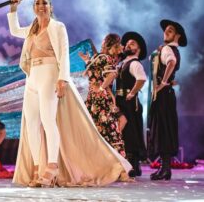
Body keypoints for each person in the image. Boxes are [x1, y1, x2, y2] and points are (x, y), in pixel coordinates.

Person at [8, 0, 131, 187]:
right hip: (32, 77)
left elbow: (64, 54)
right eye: (37, 3)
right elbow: (14, 30)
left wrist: (62, 79)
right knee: (31, 122)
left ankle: (52, 166)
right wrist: (13, 9)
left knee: (48, 120)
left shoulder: (58, 27)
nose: (41, 6)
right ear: (33, 8)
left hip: (49, 74)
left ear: (51, 6)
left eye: (44, 3)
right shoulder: (32, 29)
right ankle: (36, 168)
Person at [148, 19, 187, 181]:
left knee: (163, 129)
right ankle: (166, 168)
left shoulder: (167, 49)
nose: (166, 32)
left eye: (170, 31)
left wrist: (163, 83)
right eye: (165, 30)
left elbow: (171, 62)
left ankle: (165, 168)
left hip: (163, 95)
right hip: (167, 94)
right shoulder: (167, 49)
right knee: (164, 129)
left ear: (177, 36)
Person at [79, 33, 127, 158]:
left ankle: (115, 163)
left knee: (105, 128)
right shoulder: (102, 57)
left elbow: (111, 75)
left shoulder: (102, 57)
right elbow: (102, 73)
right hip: (96, 98)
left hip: (98, 98)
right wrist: (87, 61)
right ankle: (107, 161)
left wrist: (101, 87)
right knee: (103, 129)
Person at [116, 32, 147, 178]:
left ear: (138, 49)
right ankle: (128, 165)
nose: (128, 44)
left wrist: (132, 93)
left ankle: (134, 165)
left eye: (132, 43)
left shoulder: (134, 63)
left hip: (129, 102)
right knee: (123, 132)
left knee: (131, 132)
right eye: (127, 43)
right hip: (121, 100)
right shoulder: (122, 63)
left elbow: (141, 79)